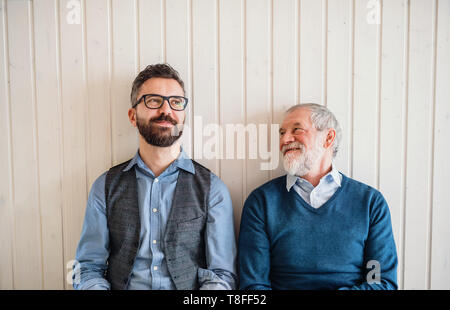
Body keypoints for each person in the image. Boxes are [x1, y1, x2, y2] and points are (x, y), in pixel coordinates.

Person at [73, 63, 237, 290]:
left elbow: (221, 275)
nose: (166, 110)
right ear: (132, 116)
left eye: (175, 102)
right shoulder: (105, 186)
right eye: (153, 100)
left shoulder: (213, 189)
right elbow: (88, 268)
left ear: (183, 116)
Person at [238, 103, 398, 290]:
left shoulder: (370, 203)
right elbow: (254, 285)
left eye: (296, 130)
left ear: (328, 138)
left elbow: (380, 281)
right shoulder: (262, 202)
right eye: (282, 133)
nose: (285, 140)